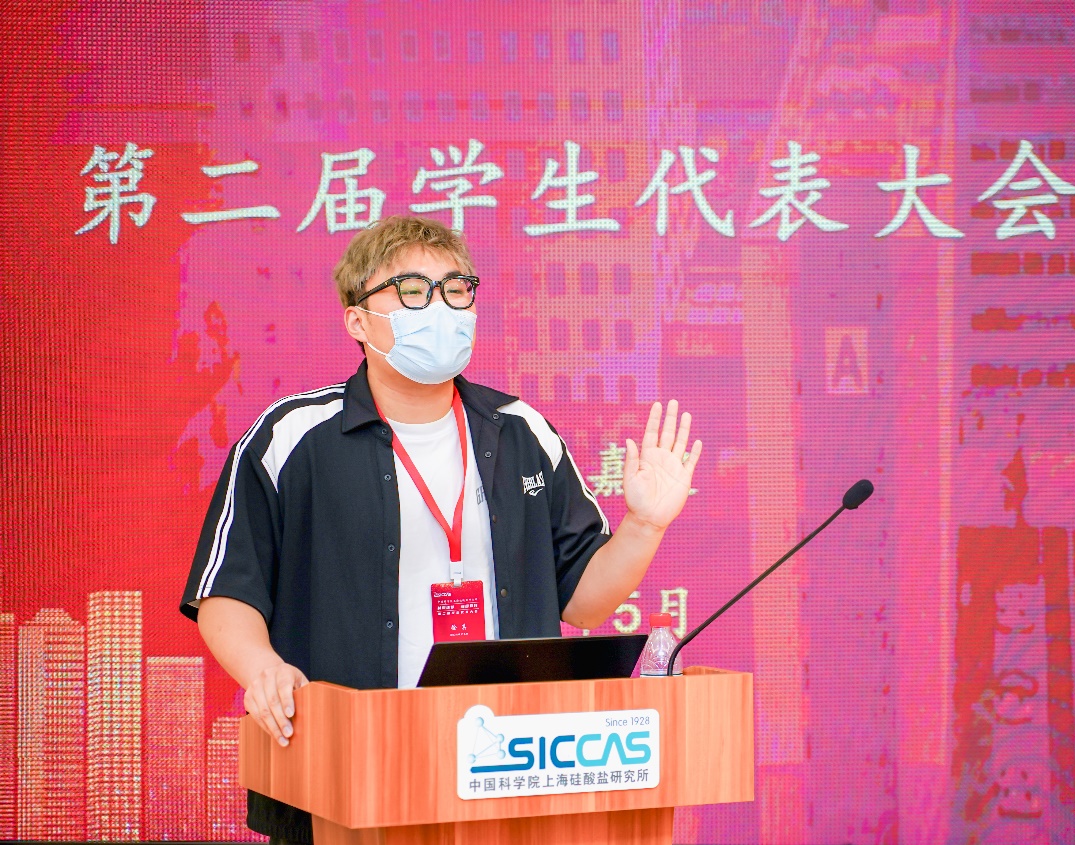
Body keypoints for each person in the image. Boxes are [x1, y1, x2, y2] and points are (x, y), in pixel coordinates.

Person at [179, 215, 701, 843]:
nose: (440, 308)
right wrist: (263, 668)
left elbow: (584, 604)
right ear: (357, 321)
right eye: (412, 291)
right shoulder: (293, 438)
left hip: (508, 766)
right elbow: (226, 589)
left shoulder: (521, 430)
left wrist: (644, 525)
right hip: (346, 767)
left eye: (456, 290)